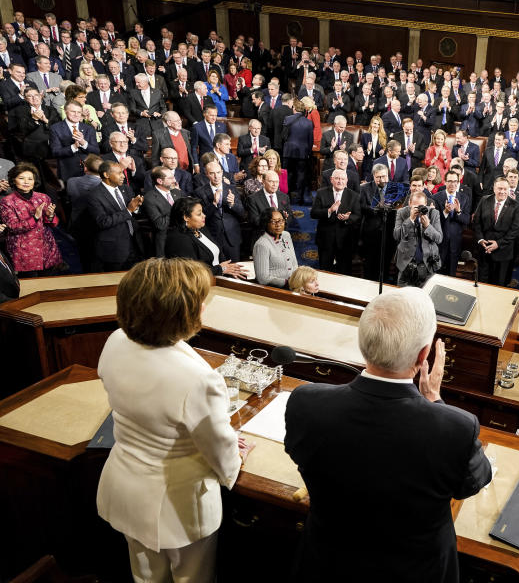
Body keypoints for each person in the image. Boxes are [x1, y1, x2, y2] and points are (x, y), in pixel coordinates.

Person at [284, 287, 491, 582]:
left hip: (327, 566)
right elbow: (476, 481)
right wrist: (435, 402)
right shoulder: (455, 428)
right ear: (424, 354)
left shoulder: (305, 403)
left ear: (362, 342)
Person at [97, 258, 253, 583]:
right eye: (198, 302)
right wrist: (237, 457)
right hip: (178, 505)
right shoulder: (196, 379)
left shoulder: (115, 341)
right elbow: (220, 449)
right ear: (177, 313)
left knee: (144, 577)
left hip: (125, 487)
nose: (203, 309)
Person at [0, 163, 62, 276]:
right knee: (30, 287)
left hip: (46, 249)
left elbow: (54, 224)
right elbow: (13, 227)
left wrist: (50, 216)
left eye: (30, 179)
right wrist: (35, 217)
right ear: (14, 180)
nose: (26, 182)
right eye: (21, 178)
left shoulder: (43, 197)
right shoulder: (7, 202)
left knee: (50, 285)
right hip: (24, 253)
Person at [165, 197, 248, 278]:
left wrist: (230, 269)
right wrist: (221, 269)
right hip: (201, 284)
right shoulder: (178, 239)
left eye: (202, 212)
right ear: (186, 217)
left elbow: (218, 252)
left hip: (218, 276)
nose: (204, 216)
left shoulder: (201, 228)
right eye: (199, 214)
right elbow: (191, 271)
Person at [472, 178, 519, 286]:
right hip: (484, 250)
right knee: (481, 284)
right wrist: (480, 239)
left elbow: (514, 231)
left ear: (509, 190)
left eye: (505, 189)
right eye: (500, 188)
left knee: (499, 285)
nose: (502, 191)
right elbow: (477, 223)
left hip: (503, 252)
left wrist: (498, 244)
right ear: (494, 188)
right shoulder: (484, 200)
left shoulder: (516, 207)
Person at [311, 169, 361, 274]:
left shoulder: (354, 195)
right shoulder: (321, 193)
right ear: (331, 179)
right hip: (325, 239)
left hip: (345, 239)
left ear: (346, 180)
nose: (340, 181)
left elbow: (357, 215)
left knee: (344, 271)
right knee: (325, 270)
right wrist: (329, 211)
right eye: (337, 178)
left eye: (342, 179)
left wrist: (348, 218)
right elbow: (313, 213)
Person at [394, 190, 443, 287]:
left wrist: (428, 226)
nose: (418, 209)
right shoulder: (402, 212)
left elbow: (439, 238)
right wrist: (410, 220)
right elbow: (397, 236)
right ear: (409, 203)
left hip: (427, 265)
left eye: (421, 206)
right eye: (415, 206)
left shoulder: (434, 213)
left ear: (426, 204)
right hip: (406, 265)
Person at [431, 170, 471, 276]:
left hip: (455, 242)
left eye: (455, 181)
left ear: (458, 183)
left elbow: (466, 220)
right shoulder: (435, 197)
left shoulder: (464, 198)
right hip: (439, 242)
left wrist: (458, 211)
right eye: (449, 181)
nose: (452, 184)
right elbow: (433, 221)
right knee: (436, 273)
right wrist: (445, 212)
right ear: (445, 182)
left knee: (451, 274)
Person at [141, 166, 183, 257]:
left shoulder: (177, 192)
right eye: (171, 178)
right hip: (164, 244)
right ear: (160, 181)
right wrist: (178, 211)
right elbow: (160, 224)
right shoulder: (149, 198)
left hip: (181, 239)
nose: (174, 180)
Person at [253, 209, 297, 287]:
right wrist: (287, 283)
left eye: (281, 221)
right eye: (273, 222)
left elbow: (294, 264)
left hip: (293, 285)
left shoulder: (286, 235)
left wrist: (299, 279)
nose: (278, 225)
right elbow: (262, 279)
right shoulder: (261, 244)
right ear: (265, 223)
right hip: (276, 289)